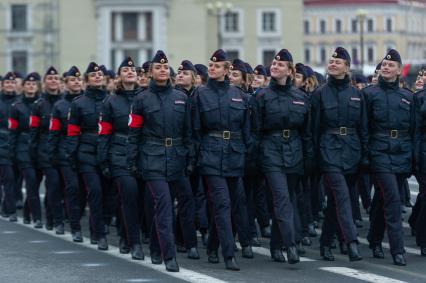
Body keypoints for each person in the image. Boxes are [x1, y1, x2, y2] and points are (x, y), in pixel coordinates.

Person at [127, 50, 195, 272]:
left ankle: (156, 249)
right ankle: (169, 256)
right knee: (164, 204)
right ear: (150, 72)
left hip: (176, 158)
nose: (163, 70)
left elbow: (188, 133)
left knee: (165, 206)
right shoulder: (141, 99)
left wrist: (189, 157)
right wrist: (132, 160)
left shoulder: (181, 98)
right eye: (158, 67)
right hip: (152, 157)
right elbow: (134, 133)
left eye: (166, 67)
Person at [192, 49, 252, 270]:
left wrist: (246, 151)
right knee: (222, 202)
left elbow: (246, 128)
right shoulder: (201, 94)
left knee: (231, 203)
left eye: (217, 66)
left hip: (235, 154)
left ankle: (212, 246)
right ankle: (229, 254)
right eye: (211, 65)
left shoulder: (238, 94)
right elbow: (195, 129)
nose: (212, 68)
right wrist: (196, 157)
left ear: (227, 70)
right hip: (210, 153)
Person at [311, 47, 366, 262]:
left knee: (336, 202)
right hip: (329, 151)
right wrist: (314, 157)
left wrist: (365, 154)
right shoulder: (319, 94)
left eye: (338, 62)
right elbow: (313, 130)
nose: (333, 64)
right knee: (342, 197)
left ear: (347, 67)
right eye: (331, 61)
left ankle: (326, 242)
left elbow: (363, 127)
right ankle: (351, 242)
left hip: (352, 151)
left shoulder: (356, 95)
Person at [365, 49, 416, 266]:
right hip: (379, 152)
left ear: (398, 71)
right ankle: (398, 249)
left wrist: (412, 157)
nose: (386, 67)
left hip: (401, 152)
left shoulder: (407, 97)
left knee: (382, 199)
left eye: (391, 65)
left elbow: (413, 130)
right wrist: (366, 155)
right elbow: (363, 127)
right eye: (384, 65)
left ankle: (374, 239)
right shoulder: (369, 94)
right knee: (394, 200)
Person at [97, 57, 145, 260]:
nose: (130, 72)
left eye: (133, 69)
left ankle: (126, 236)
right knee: (129, 194)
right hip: (119, 153)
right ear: (119, 76)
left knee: (140, 200)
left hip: (143, 153)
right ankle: (135, 243)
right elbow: (104, 133)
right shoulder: (111, 102)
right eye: (125, 69)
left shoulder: (145, 98)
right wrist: (104, 160)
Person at [66, 62, 113, 250]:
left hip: (107, 151)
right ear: (87, 80)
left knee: (109, 195)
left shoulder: (111, 100)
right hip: (86, 152)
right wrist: (71, 156)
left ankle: (104, 223)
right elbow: (72, 133)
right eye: (93, 75)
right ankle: (98, 233)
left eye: (100, 75)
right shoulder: (78, 104)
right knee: (95, 191)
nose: (97, 77)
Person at [48, 66, 84, 242]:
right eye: (72, 80)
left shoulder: (86, 101)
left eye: (78, 79)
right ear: (66, 83)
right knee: (70, 188)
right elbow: (54, 132)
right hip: (64, 153)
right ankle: (68, 224)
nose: (76, 82)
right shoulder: (59, 106)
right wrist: (52, 155)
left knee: (83, 190)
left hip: (83, 152)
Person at [29, 66, 63, 232]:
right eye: (50, 78)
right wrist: (33, 154)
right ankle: (55, 220)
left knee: (56, 187)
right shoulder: (38, 105)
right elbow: (34, 131)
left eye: (56, 78)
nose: (53, 81)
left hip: (62, 150)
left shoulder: (65, 103)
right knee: (53, 184)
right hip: (44, 151)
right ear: (44, 83)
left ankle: (51, 217)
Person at [9, 73, 43, 226]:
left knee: (35, 181)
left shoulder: (42, 104)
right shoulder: (17, 107)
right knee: (30, 180)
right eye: (28, 84)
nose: (31, 86)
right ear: (23, 87)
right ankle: (37, 217)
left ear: (37, 87)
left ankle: (28, 212)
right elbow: (13, 132)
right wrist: (12, 152)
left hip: (39, 147)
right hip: (23, 147)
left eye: (33, 84)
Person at [0, 72, 18, 221]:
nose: (10, 85)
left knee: (11, 178)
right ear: (2, 85)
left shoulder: (19, 102)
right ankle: (7, 208)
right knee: (6, 178)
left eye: (12, 83)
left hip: (15, 144)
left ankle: (9, 208)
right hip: (1, 142)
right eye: (7, 83)